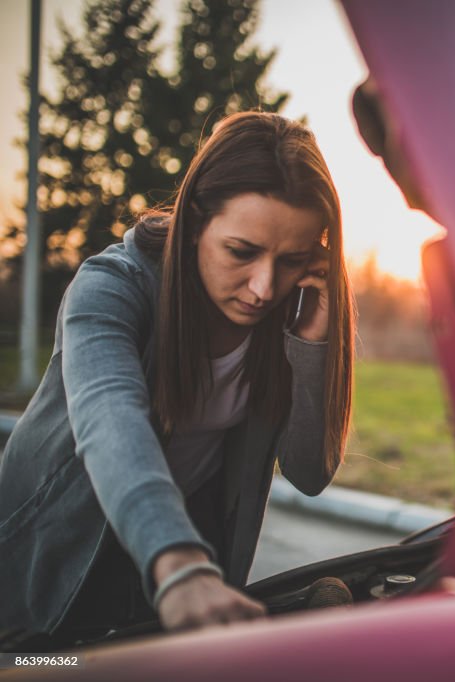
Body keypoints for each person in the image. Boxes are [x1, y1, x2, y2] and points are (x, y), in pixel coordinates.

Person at [0, 111, 354, 642]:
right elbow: (110, 421)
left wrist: (310, 342)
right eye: (242, 251)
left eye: (292, 260)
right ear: (194, 222)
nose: (263, 287)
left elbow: (308, 472)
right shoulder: (110, 288)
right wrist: (180, 563)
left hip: (165, 587)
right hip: (52, 573)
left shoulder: (286, 313)